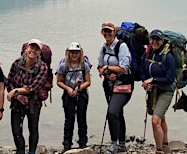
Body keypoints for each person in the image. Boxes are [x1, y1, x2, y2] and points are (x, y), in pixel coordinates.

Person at [6, 39, 49, 154]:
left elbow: (34, 87)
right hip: (16, 102)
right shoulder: (16, 63)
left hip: (34, 103)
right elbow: (9, 81)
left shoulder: (42, 67)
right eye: (31, 48)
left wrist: (15, 91)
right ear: (26, 49)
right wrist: (17, 96)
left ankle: (32, 152)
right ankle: (20, 151)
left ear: (40, 52)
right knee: (16, 130)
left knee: (33, 129)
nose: (33, 51)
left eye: (36, 49)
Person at [97, 22, 132, 154]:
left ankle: (113, 143)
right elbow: (100, 65)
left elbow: (124, 68)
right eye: (104, 31)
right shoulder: (103, 47)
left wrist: (108, 68)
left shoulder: (122, 46)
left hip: (123, 85)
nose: (107, 34)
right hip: (109, 85)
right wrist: (103, 72)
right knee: (117, 113)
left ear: (114, 32)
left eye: (109, 31)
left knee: (112, 112)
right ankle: (121, 144)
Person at [141, 29, 176, 154]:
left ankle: (159, 150)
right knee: (161, 118)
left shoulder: (168, 56)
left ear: (162, 41)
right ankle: (165, 145)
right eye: (153, 39)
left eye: (157, 39)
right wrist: (145, 82)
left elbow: (170, 78)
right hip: (153, 90)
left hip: (166, 91)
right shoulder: (147, 53)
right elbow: (143, 71)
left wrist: (153, 79)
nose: (155, 42)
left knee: (155, 120)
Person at [56, 42, 92, 152]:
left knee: (82, 118)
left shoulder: (84, 65)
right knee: (69, 119)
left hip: (82, 94)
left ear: (80, 53)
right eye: (72, 53)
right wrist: (68, 89)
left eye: (76, 52)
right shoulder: (63, 66)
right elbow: (59, 81)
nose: (74, 55)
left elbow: (88, 82)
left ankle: (83, 142)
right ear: (68, 53)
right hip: (68, 94)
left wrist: (78, 89)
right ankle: (67, 143)